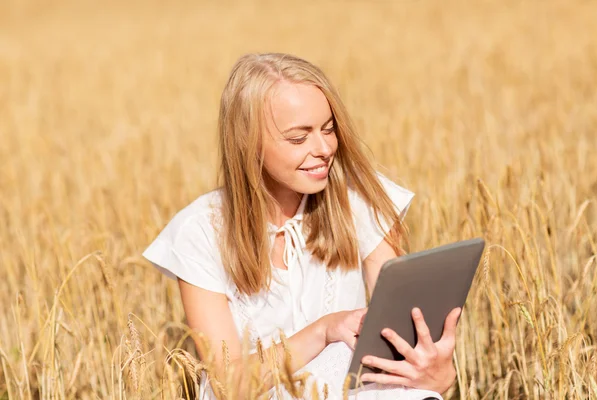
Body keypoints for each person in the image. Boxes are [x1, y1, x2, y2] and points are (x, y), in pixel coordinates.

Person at [142, 53, 461, 400]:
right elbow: (228, 386)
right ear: (248, 144)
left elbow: (406, 332)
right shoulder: (200, 231)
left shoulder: (360, 200)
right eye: (299, 138)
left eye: (328, 129)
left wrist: (436, 375)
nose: (324, 148)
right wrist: (323, 331)